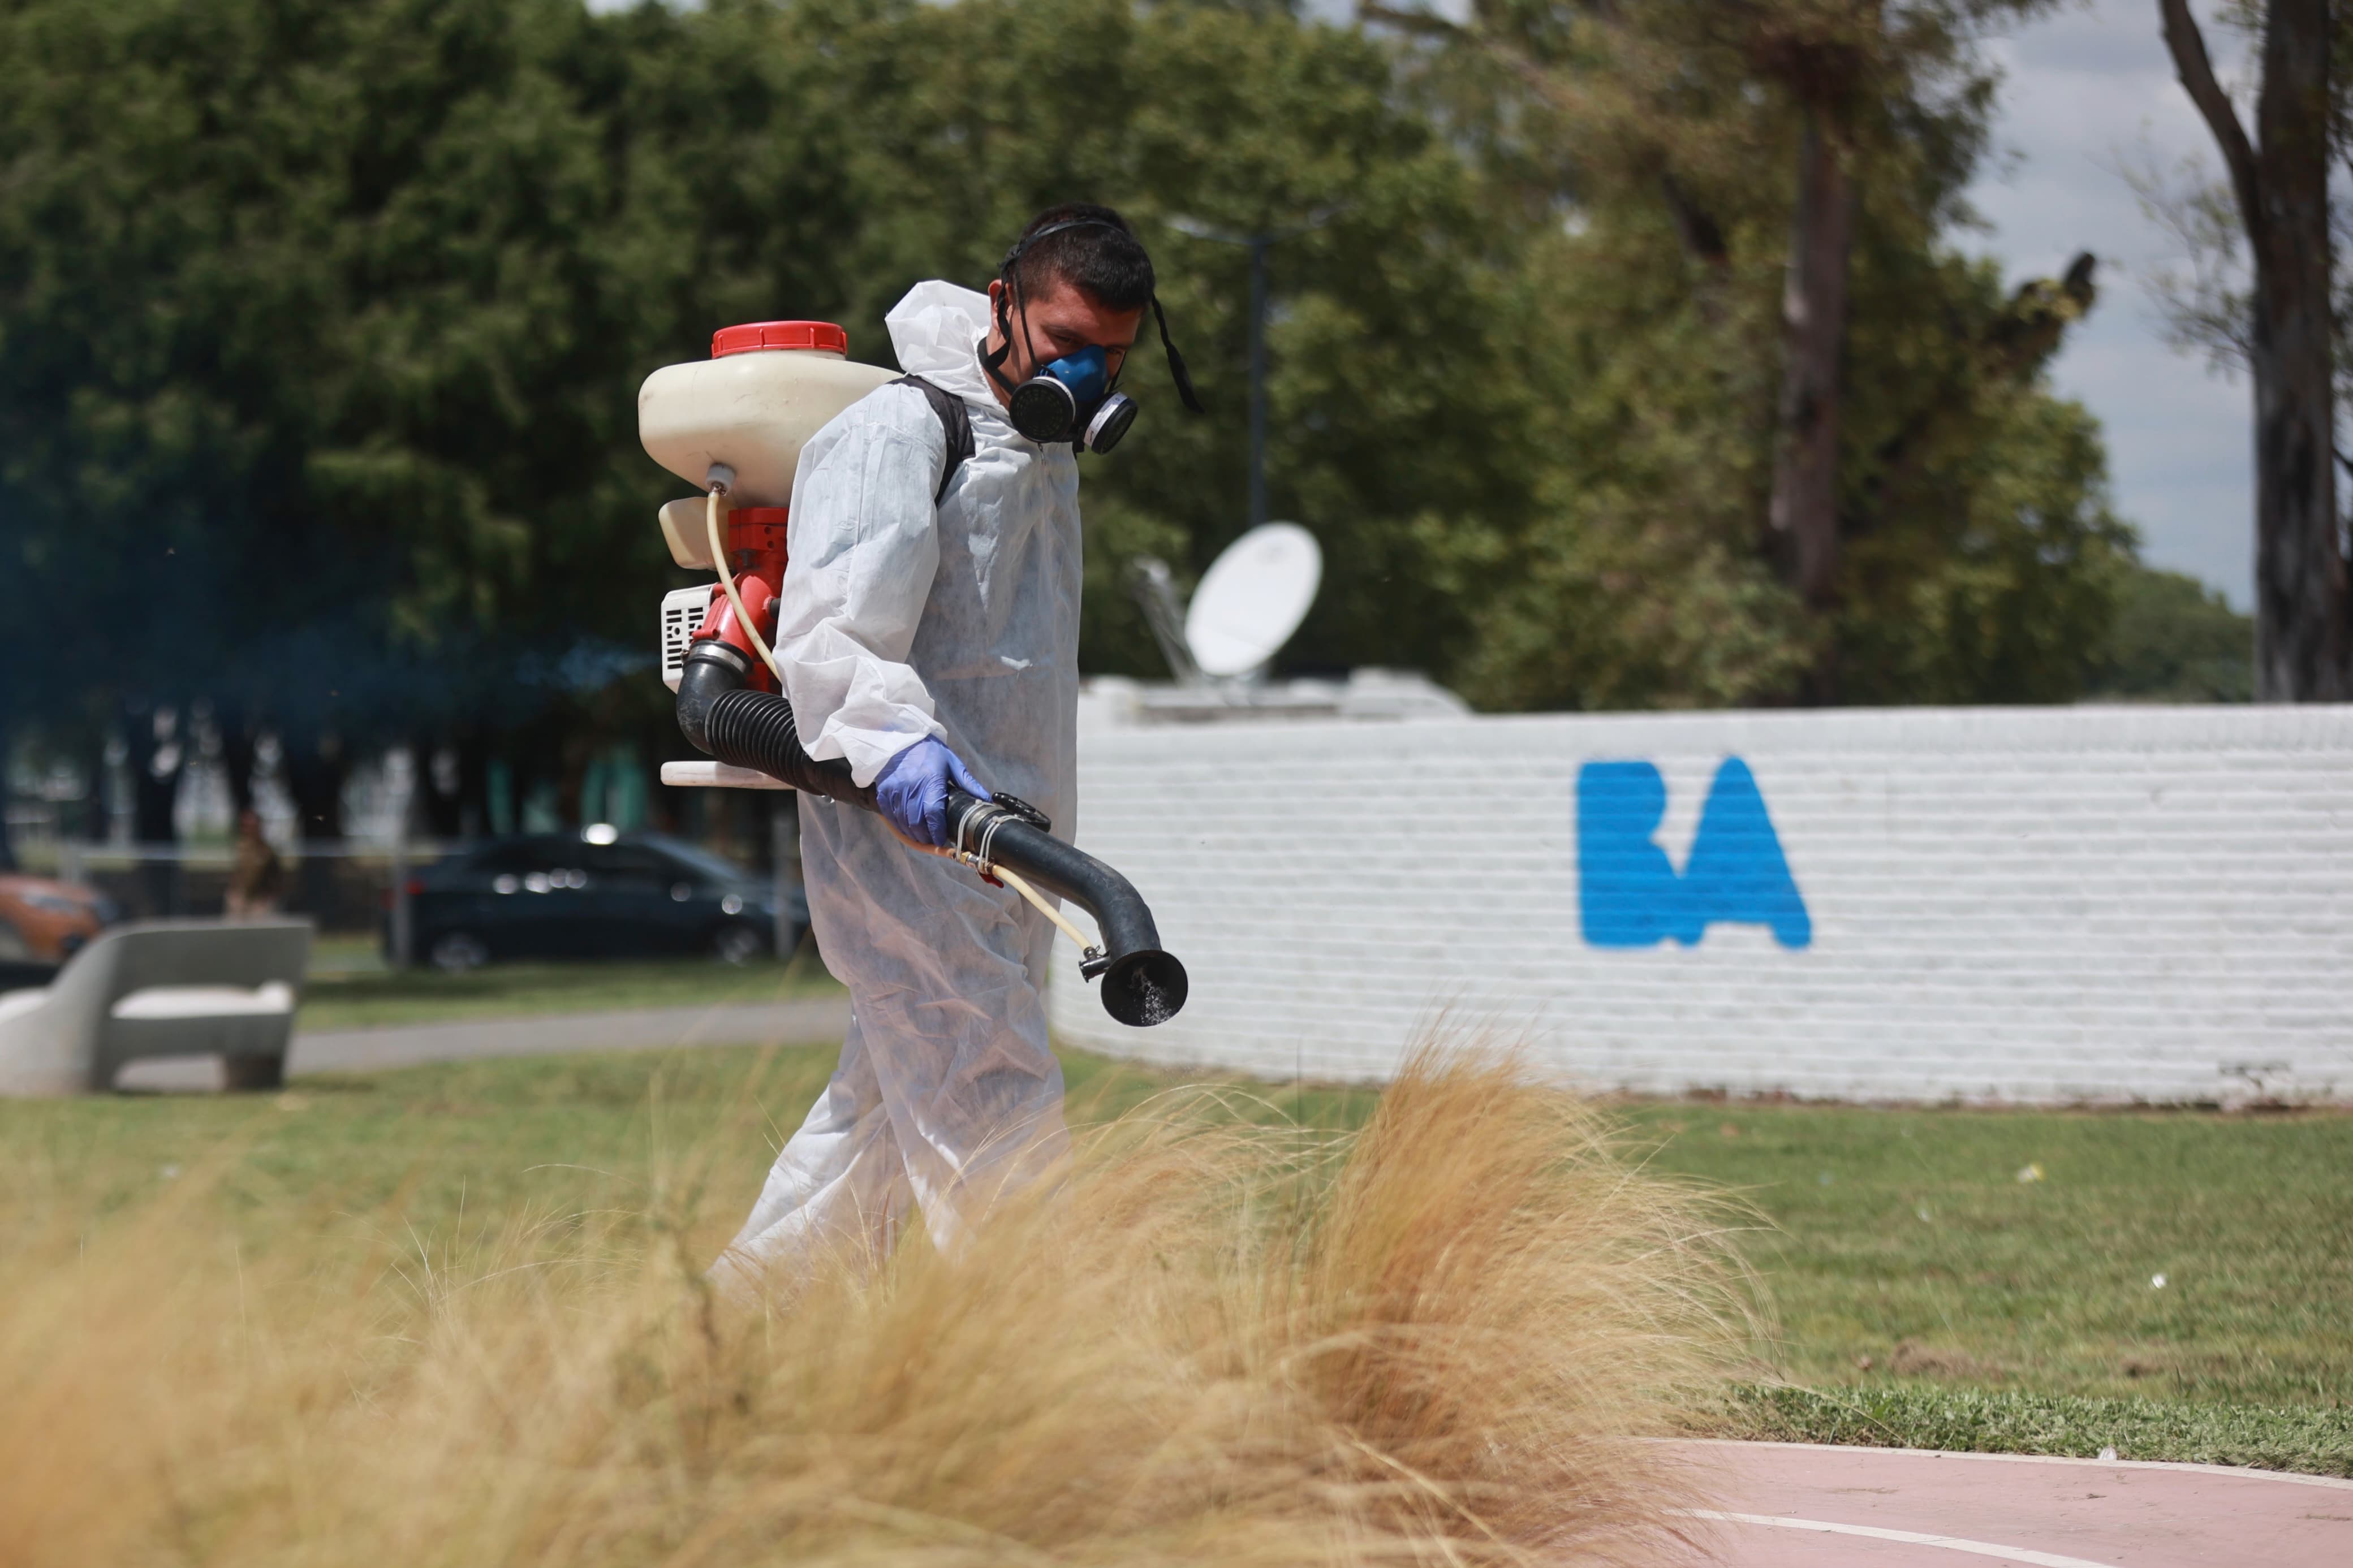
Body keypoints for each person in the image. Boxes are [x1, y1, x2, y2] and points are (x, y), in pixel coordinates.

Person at [713, 205, 1197, 1289]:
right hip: (910, 838)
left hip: (1009, 852)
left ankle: (709, 1356)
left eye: (1111, 356)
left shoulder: (1043, 455)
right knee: (996, 1118)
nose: (1084, 375)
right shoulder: (899, 432)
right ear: (1001, 307)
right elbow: (832, 634)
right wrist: (907, 757)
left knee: (870, 1144)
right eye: (1066, 343)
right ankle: (1066, 1390)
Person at [223, 809, 285, 918]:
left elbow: (275, 879)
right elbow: (236, 875)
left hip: (261, 899)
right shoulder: (239, 849)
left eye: (252, 827)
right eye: (245, 827)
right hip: (240, 898)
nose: (249, 830)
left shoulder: (267, 851)